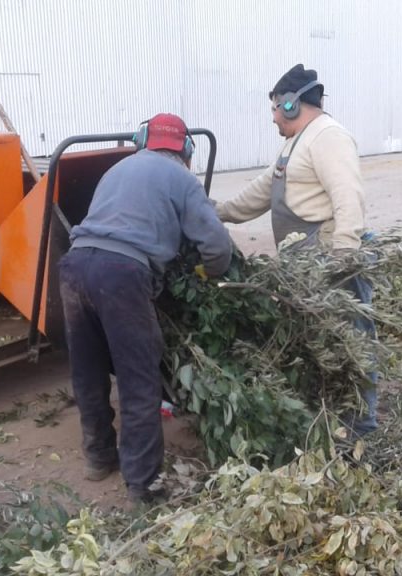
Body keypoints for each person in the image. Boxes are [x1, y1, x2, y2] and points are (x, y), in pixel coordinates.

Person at [59, 113, 232, 504]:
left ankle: (99, 457)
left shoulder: (117, 168)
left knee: (87, 371)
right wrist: (209, 272)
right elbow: (217, 245)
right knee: (139, 381)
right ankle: (143, 485)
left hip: (73, 266)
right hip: (121, 274)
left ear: (143, 142)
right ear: (185, 150)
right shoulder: (184, 179)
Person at [214, 64, 378, 435]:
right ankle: (330, 417)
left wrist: (344, 257)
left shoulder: (328, 137)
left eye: (275, 108)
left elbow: (348, 197)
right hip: (305, 271)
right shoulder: (295, 142)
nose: (272, 117)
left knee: (353, 345)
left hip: (331, 265)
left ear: (291, 104)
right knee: (322, 346)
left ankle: (361, 427)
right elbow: (262, 190)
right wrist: (220, 212)